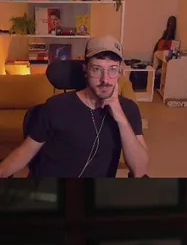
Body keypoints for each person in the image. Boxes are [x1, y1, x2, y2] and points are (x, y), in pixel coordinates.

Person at [0, 35, 148, 179]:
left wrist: (119, 116)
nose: (105, 79)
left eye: (113, 69)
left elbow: (139, 170)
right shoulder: (56, 106)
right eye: (97, 69)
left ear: (120, 72)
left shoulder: (128, 110)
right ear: (85, 69)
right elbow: (24, 153)